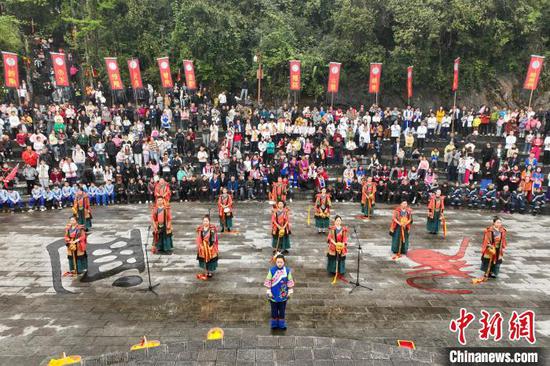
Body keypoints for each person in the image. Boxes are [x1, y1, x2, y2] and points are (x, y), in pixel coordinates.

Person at [264, 254, 294, 330]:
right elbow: (268, 281)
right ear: (275, 262)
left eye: (281, 262)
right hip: (273, 295)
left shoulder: (287, 271)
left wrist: (290, 291)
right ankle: (274, 324)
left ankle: (281, 325)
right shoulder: (272, 270)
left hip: (283, 295)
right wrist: (269, 291)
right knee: (274, 311)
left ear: (284, 262)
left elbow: (290, 281)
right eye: (278, 262)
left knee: (282, 311)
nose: (279, 264)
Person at [196, 215, 219, 280]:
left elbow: (213, 239)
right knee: (203, 258)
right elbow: (199, 238)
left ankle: (209, 271)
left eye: (206, 221)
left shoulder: (212, 229)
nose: (205, 222)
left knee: (210, 258)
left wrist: (210, 246)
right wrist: (201, 246)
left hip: (210, 246)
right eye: (204, 221)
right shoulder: (200, 229)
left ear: (209, 222)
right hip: (203, 246)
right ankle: (206, 271)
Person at [326, 215, 348, 280]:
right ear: (334, 221)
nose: (338, 222)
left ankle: (340, 270)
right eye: (337, 220)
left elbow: (345, 238)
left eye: (339, 220)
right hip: (334, 245)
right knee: (333, 258)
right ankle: (333, 270)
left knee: (341, 258)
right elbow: (329, 237)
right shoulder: (332, 229)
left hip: (341, 245)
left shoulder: (344, 229)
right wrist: (335, 243)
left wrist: (342, 244)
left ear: (341, 221)